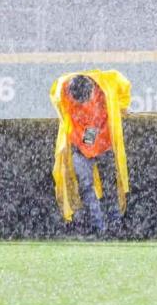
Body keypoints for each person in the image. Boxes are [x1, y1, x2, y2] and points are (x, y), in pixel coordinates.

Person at [51, 70, 132, 234]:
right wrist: (84, 148)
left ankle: (115, 225)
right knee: (86, 187)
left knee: (109, 186)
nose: (82, 105)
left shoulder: (103, 89)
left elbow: (92, 128)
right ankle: (99, 227)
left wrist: (122, 106)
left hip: (103, 144)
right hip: (80, 147)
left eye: (85, 100)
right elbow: (57, 98)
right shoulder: (64, 89)